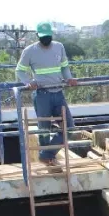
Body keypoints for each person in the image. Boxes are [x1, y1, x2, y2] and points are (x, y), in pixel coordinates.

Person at [15, 21, 78, 167]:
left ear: (52, 34)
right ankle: (47, 158)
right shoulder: (30, 51)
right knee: (44, 129)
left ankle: (46, 155)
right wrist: (28, 82)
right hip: (42, 94)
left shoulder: (59, 47)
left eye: (48, 36)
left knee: (69, 127)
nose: (46, 39)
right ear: (37, 36)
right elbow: (19, 70)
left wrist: (69, 78)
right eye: (43, 36)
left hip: (58, 93)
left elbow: (64, 67)